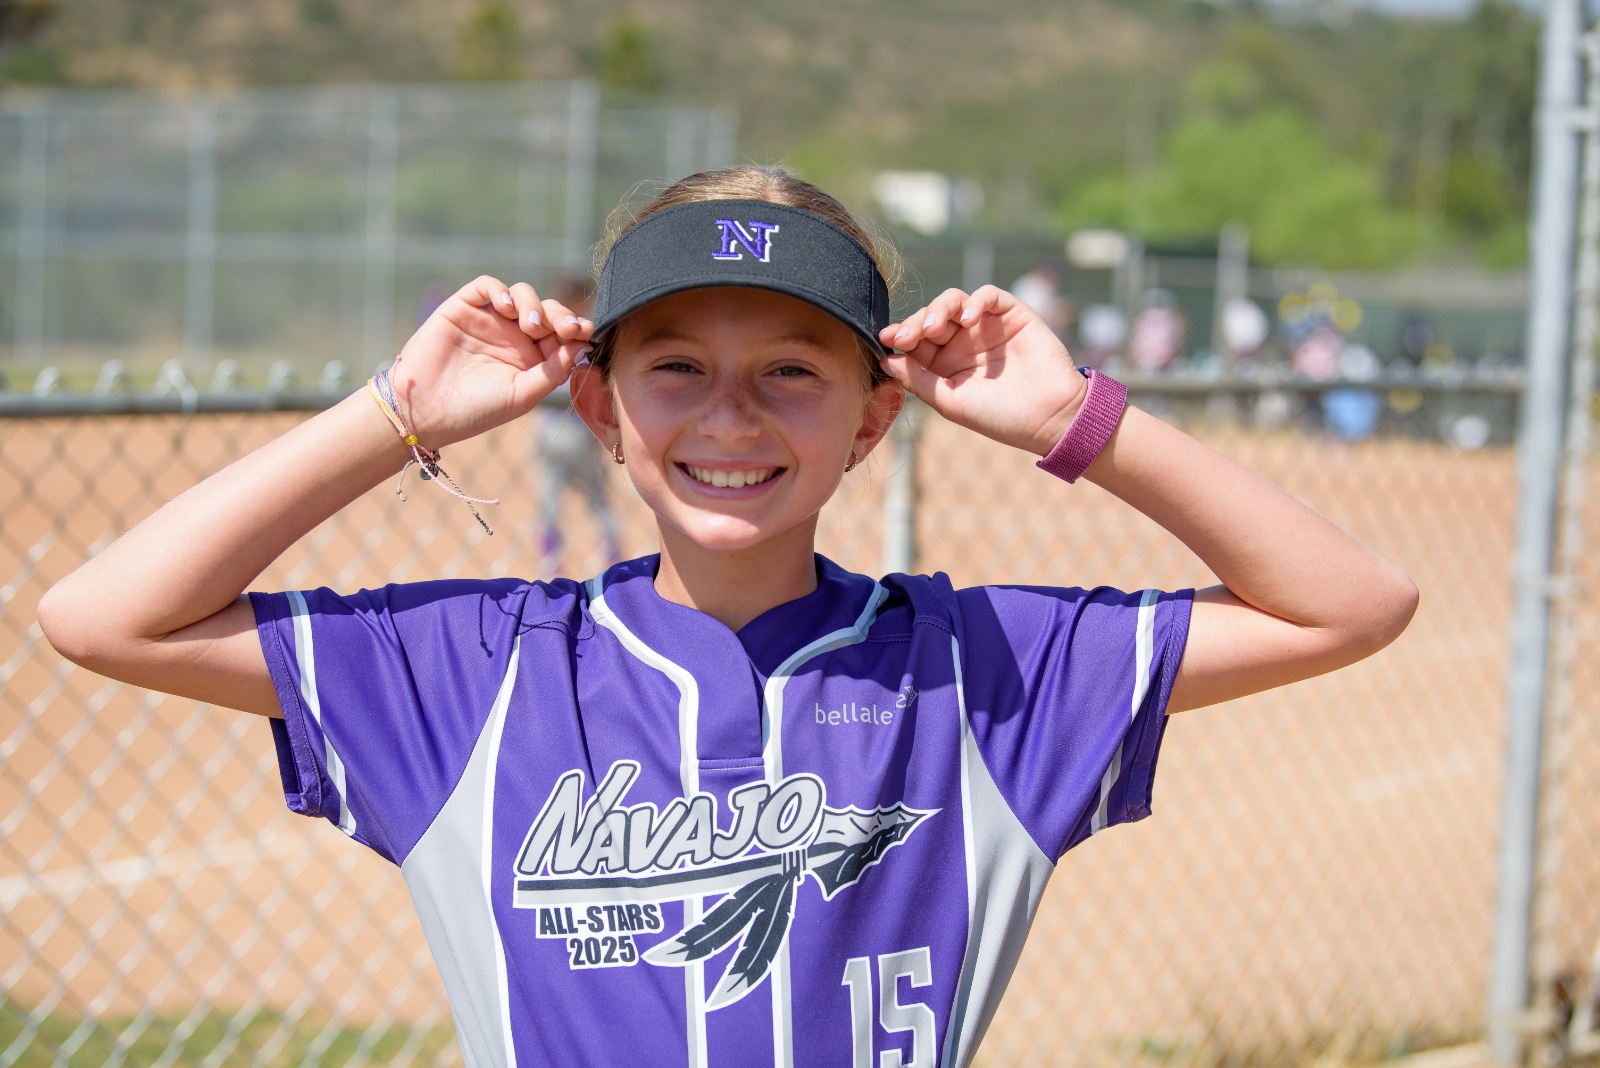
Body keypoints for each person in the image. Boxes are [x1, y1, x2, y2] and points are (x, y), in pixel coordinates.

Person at [37, 167, 1418, 1068]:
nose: (731, 416)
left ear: (876, 417)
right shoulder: (473, 672)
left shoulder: (984, 669)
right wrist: (397, 415)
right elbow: (105, 619)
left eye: (793, 372)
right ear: (602, 407)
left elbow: (1353, 605)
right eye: (678, 366)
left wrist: (1076, 422)